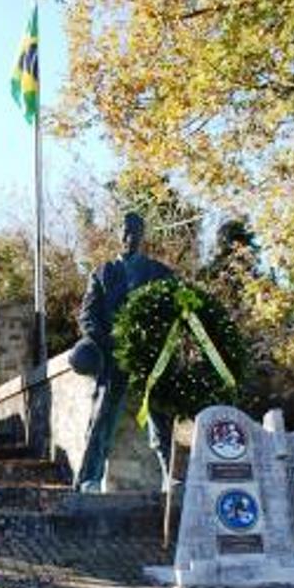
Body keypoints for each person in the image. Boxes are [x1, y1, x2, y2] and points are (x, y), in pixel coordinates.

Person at [73, 211, 176, 492]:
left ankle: (172, 476)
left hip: (149, 359)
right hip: (115, 357)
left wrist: (153, 341)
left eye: (135, 232)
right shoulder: (103, 272)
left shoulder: (159, 273)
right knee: (103, 415)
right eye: (125, 232)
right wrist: (109, 343)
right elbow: (88, 317)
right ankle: (90, 478)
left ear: (143, 236)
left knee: (161, 416)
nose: (130, 237)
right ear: (118, 235)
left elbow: (177, 310)